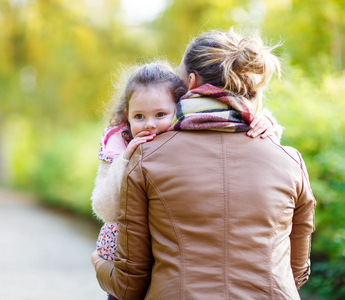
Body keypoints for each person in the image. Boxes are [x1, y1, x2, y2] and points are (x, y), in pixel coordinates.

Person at [92, 29, 315, 300]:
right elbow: (295, 274)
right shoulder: (289, 160)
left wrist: (99, 264)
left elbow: (131, 284)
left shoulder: (147, 158)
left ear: (191, 82)